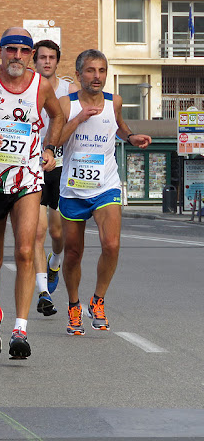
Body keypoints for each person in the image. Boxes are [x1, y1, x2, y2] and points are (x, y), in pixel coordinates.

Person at [0, 27, 65, 360]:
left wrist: (49, 148)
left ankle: (21, 329)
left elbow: (57, 115)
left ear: (31, 54)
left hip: (27, 179)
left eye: (23, 50)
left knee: (24, 250)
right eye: (11, 49)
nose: (17, 56)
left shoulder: (41, 86)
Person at [58, 49, 151, 335]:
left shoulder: (115, 101)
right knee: (73, 252)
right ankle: (74, 306)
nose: (96, 76)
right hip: (73, 188)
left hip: (106, 184)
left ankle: (97, 301)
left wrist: (132, 137)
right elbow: (56, 138)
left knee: (111, 245)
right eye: (90, 70)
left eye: (101, 71)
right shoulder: (66, 104)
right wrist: (79, 119)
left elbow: (119, 128)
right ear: (78, 74)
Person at [32, 40, 78, 317]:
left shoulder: (69, 90)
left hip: (60, 167)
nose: (46, 62)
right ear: (34, 61)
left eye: (51, 58)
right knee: (36, 233)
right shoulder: (25, 87)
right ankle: (43, 293)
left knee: (57, 233)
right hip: (32, 168)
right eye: (42, 58)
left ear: (57, 62)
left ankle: (55, 262)